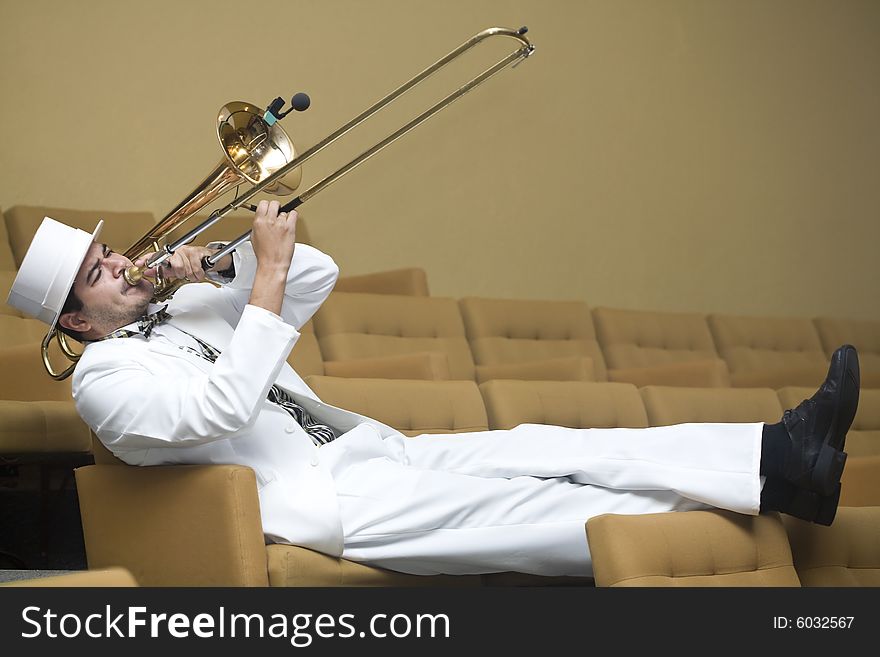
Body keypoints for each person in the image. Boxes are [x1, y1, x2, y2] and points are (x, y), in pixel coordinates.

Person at [6, 203, 860, 578]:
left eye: (109, 252)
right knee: (547, 507)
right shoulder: (105, 382)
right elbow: (222, 407)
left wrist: (229, 263)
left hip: (373, 450)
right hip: (332, 500)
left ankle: (778, 456)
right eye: (97, 273)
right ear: (75, 323)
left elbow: (314, 274)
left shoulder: (185, 301)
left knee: (559, 445)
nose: (120, 262)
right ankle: (725, 538)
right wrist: (257, 276)